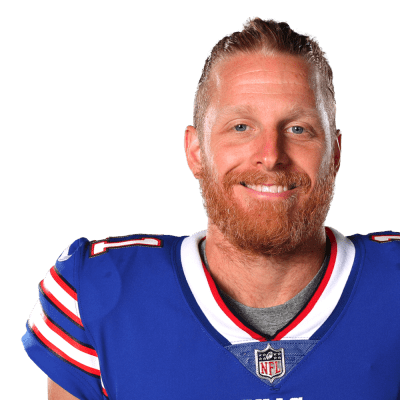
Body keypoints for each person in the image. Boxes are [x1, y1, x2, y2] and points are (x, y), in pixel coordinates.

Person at [22, 17, 400, 400]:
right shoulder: (99, 291)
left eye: (298, 129)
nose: (271, 156)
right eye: (241, 127)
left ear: (335, 154)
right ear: (196, 151)